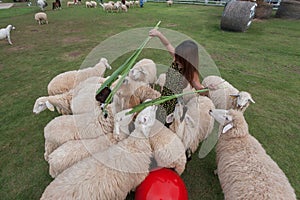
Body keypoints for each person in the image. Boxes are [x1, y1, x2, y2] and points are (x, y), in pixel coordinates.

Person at [149, 29, 208, 125]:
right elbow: (167, 44)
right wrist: (159, 34)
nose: (176, 60)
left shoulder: (191, 74)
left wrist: (209, 89)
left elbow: (200, 89)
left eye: (180, 60)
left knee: (165, 124)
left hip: (172, 103)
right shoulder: (176, 58)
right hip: (164, 96)